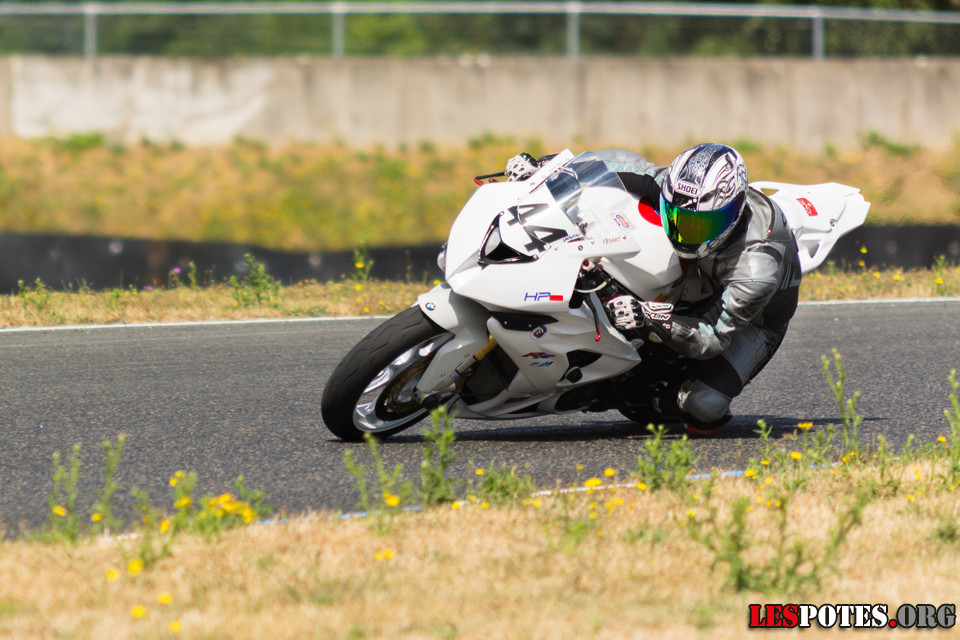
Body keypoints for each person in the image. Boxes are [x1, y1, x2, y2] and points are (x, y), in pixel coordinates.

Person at [504, 144, 802, 435]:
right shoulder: (687, 195)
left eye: (699, 225)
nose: (684, 234)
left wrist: (648, 318)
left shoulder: (756, 271)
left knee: (702, 408)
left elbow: (710, 336)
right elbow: (619, 165)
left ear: (733, 213)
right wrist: (545, 168)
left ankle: (650, 391)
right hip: (702, 274)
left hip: (753, 321)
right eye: (676, 217)